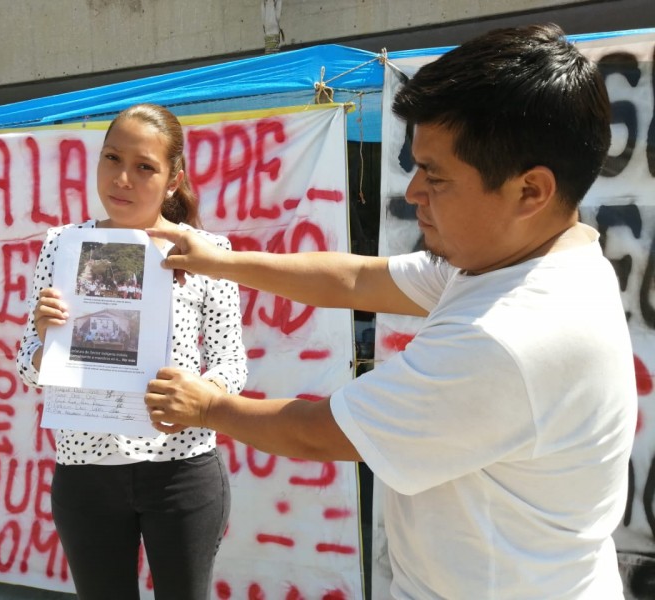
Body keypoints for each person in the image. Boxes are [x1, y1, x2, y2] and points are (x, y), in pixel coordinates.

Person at [144, 24, 636, 599]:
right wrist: (219, 262)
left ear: (531, 191)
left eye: (437, 175)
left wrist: (206, 405)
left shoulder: (504, 335)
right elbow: (357, 278)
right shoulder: (522, 260)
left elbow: (317, 434)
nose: (413, 192)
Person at [16, 103, 248, 600]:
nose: (122, 178)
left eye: (144, 167)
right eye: (111, 159)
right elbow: (28, 367)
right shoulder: (64, 245)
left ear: (172, 180)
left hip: (181, 467)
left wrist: (199, 394)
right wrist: (46, 340)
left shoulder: (206, 250)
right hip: (85, 473)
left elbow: (232, 362)